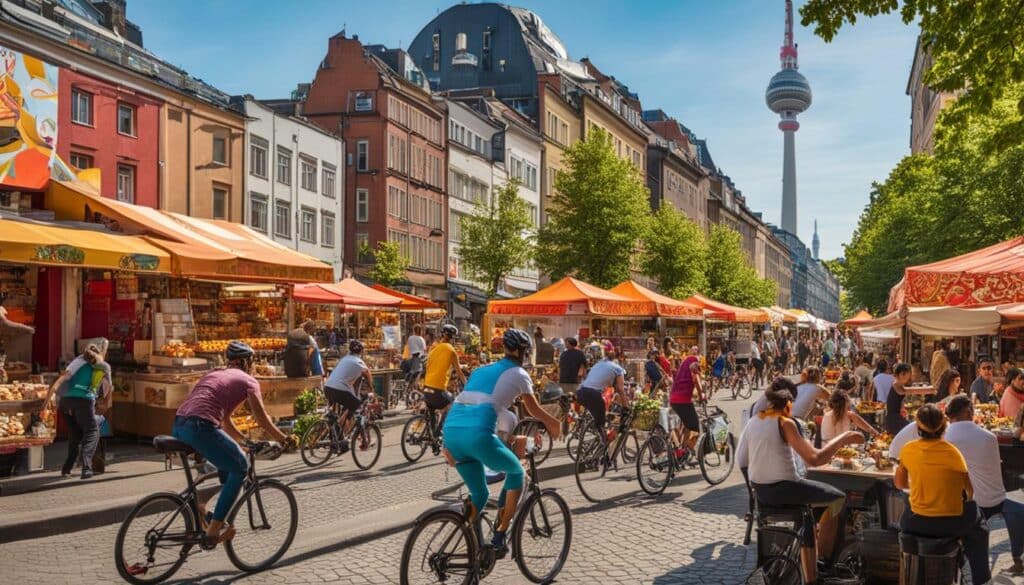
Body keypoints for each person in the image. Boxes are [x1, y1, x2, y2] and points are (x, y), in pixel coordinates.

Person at [442, 329, 561, 555]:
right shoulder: (519, 373)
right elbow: (532, 408)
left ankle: (470, 544)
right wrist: (554, 424)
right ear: (522, 351)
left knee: (480, 494)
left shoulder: (480, 370)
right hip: (477, 435)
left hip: (451, 434)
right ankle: (499, 534)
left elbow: (481, 405)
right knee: (516, 472)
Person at [736, 378, 865, 583]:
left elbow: (741, 460)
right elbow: (814, 459)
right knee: (839, 499)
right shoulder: (785, 422)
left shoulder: (754, 421)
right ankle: (822, 561)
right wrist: (844, 438)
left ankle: (811, 563)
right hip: (786, 488)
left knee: (808, 515)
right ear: (790, 403)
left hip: (761, 491)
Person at [172, 341, 291, 546]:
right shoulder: (248, 381)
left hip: (180, 424)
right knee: (241, 467)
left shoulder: (214, 374)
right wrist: (285, 439)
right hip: (202, 426)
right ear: (246, 362)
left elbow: (226, 422)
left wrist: (243, 442)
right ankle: (213, 531)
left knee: (228, 465)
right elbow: (262, 419)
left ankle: (205, 512)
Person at [893, 403, 991, 584]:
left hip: (917, 523)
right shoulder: (953, 453)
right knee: (980, 530)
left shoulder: (908, 449)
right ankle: (983, 580)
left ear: (918, 427)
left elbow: (899, 483)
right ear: (944, 426)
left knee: (905, 512)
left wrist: (919, 484)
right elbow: (969, 493)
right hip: (952, 524)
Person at [942, 395, 1024, 574]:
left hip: (969, 504)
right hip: (996, 499)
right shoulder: (989, 436)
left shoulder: (944, 437)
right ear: (969, 412)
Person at [43, 341, 111, 479]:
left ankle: (67, 469)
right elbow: (109, 387)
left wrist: (45, 404)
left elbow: (58, 383)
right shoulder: (102, 366)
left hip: (66, 403)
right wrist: (105, 403)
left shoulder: (77, 362)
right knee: (92, 431)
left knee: (74, 435)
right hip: (84, 401)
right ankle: (86, 469)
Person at [323, 340, 373, 449]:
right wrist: (371, 389)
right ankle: (342, 431)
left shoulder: (343, 359)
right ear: (361, 352)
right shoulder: (359, 361)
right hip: (340, 390)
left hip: (328, 387)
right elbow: (367, 373)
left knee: (336, 414)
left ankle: (336, 440)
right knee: (355, 405)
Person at [577, 345, 627, 441]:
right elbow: (621, 390)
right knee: (601, 424)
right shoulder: (618, 369)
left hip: (581, 391)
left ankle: (593, 439)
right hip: (592, 394)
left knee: (597, 417)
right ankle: (604, 447)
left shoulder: (599, 364)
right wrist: (626, 408)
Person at [423, 324, 467, 417]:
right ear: (452, 338)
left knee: (432, 417)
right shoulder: (451, 350)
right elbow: (459, 372)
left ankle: (433, 430)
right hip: (438, 390)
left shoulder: (433, 349)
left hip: (426, 388)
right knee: (453, 402)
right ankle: (443, 427)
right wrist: (467, 385)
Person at [669, 346, 704, 460]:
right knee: (696, 429)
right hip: (683, 401)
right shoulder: (694, 361)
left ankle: (681, 451)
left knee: (687, 426)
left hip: (674, 399)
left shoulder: (684, 363)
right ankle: (685, 453)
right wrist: (701, 395)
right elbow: (696, 379)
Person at [885, 362, 934, 434]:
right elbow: (907, 391)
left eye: (907, 374)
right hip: (894, 418)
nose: (906, 377)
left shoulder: (899, 384)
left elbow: (900, 398)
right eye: (903, 374)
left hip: (896, 417)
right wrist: (930, 390)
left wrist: (902, 408)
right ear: (897, 375)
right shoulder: (896, 385)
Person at [404, 324, 427, 390]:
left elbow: (408, 347)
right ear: (421, 331)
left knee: (411, 375)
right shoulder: (421, 339)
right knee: (418, 374)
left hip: (411, 359)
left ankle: (409, 387)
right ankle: (415, 388)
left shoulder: (410, 338)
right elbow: (424, 350)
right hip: (419, 359)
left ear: (413, 330)